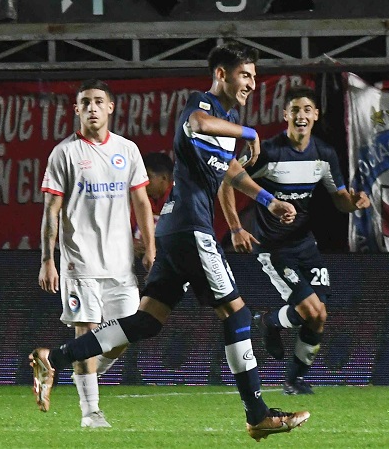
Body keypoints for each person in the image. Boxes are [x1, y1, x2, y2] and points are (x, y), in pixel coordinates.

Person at [28, 41, 311, 442]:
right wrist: (249, 131)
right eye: (245, 74)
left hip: (174, 231)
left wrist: (268, 199)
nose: (251, 82)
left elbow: (227, 170)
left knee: (146, 321)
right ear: (221, 75)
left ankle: (53, 358)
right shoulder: (203, 106)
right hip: (191, 229)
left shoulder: (224, 123)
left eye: (253, 75)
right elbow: (197, 123)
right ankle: (257, 413)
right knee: (238, 315)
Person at [219, 85, 370, 395]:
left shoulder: (324, 155)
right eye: (295, 110)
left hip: (306, 246)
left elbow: (340, 199)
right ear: (285, 114)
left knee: (319, 317)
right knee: (312, 311)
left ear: (315, 115)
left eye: (307, 110)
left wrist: (353, 203)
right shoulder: (269, 152)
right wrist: (235, 228)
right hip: (274, 249)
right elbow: (226, 175)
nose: (301, 116)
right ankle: (271, 325)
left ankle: (292, 374)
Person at [38, 79, 156, 428]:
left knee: (126, 333)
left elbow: (142, 203)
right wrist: (47, 259)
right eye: (85, 102)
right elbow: (51, 211)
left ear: (110, 108)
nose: (92, 107)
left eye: (98, 101)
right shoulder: (65, 153)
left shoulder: (128, 150)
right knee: (86, 335)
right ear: (76, 109)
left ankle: (72, 367)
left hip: (120, 264)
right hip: (79, 262)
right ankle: (90, 412)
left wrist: (150, 247)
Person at [134, 152, 174, 258]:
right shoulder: (140, 200)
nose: (144, 182)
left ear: (164, 178)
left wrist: (152, 245)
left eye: (148, 177)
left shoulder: (180, 200)